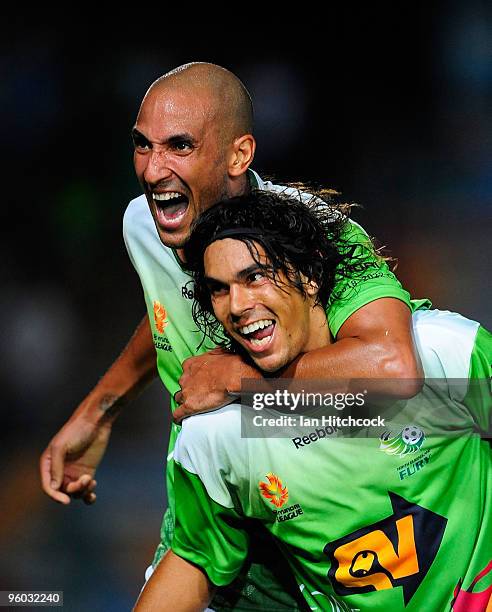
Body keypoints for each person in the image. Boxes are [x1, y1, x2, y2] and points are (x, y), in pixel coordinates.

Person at [40, 62, 429, 609]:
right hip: (217, 512)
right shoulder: (143, 227)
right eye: (142, 146)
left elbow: (393, 368)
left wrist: (238, 380)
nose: (154, 170)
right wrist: (98, 411)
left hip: (324, 516)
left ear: (237, 155)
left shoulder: (318, 235)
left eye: (179, 146)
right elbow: (168, 318)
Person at [134, 190, 491, 612]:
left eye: (255, 277)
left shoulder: (445, 354)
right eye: (218, 290)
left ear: (310, 276)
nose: (238, 305)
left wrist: (243, 379)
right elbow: (193, 561)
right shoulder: (220, 433)